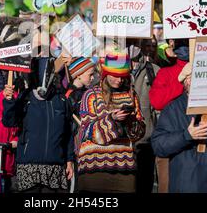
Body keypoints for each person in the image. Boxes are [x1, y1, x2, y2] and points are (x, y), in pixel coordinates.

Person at [3, 57, 75, 193]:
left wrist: (69, 160)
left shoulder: (61, 100)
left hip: (55, 167)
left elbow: (68, 133)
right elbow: (9, 121)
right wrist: (9, 101)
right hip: (28, 166)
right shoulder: (26, 98)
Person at [77, 51, 146, 193]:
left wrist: (129, 121)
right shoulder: (91, 95)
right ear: (105, 74)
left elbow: (138, 135)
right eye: (115, 75)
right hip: (94, 167)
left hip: (124, 168)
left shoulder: (131, 95)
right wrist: (112, 119)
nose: (119, 80)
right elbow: (88, 133)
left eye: (122, 76)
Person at [151, 63, 207, 193]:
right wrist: (186, 135)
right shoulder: (173, 108)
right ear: (188, 81)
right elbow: (158, 146)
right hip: (187, 183)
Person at [130, 38, 160, 193]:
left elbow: (159, 106)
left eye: (153, 46)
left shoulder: (154, 70)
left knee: (144, 185)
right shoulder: (115, 67)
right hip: (122, 140)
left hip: (146, 139)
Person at [64, 57, 96, 192]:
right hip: (75, 143)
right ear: (78, 75)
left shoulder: (88, 92)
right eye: (90, 74)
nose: (93, 77)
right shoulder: (70, 95)